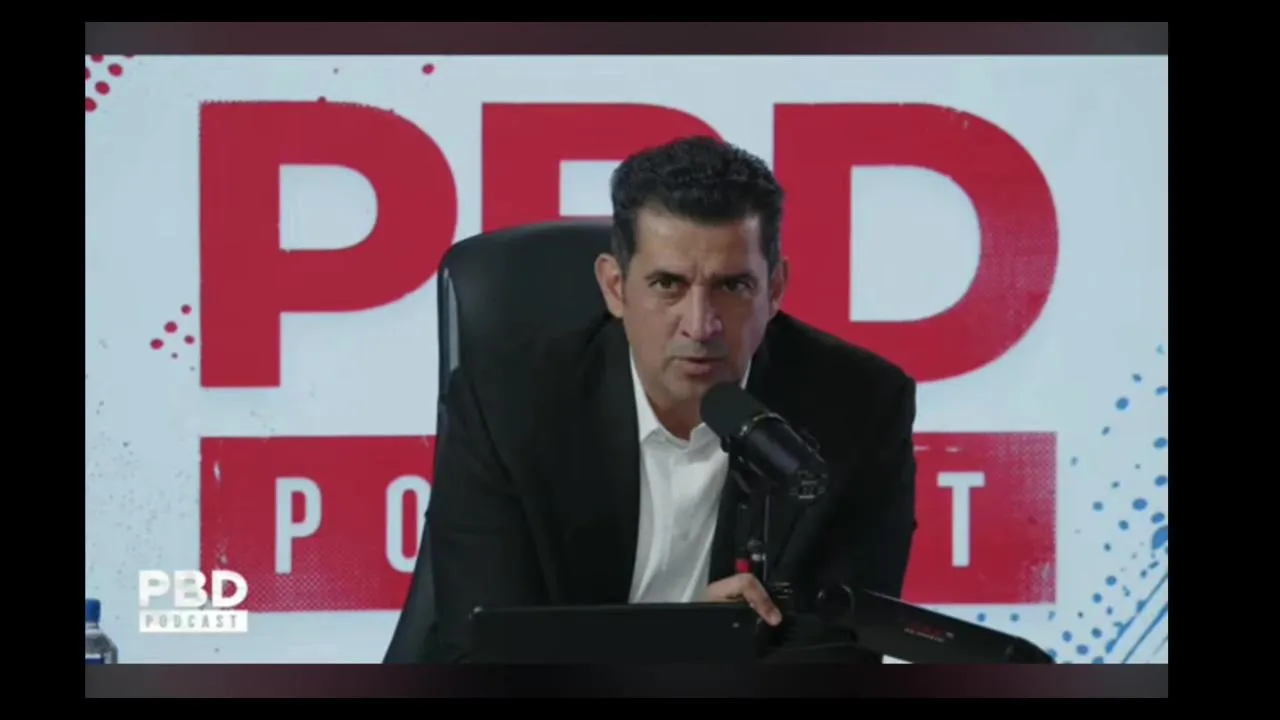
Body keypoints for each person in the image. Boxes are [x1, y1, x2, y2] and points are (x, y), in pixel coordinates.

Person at [385, 136, 918, 664]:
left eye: (732, 286)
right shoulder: (507, 405)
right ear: (615, 287)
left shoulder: (861, 405)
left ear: (774, 290)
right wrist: (680, 642)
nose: (700, 325)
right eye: (668, 284)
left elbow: (838, 653)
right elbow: (487, 653)